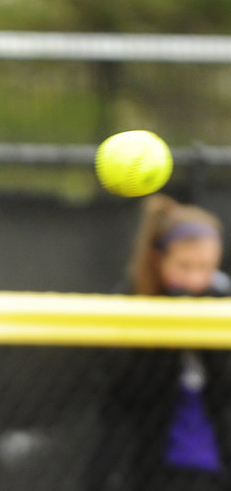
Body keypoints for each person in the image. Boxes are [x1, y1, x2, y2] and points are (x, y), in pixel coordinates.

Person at [87, 193, 231, 491]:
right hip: (147, 456)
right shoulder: (130, 301)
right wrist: (172, 328)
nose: (195, 279)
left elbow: (222, 385)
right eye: (185, 266)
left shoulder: (219, 299)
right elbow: (126, 391)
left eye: (206, 267)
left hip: (212, 451)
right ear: (158, 258)